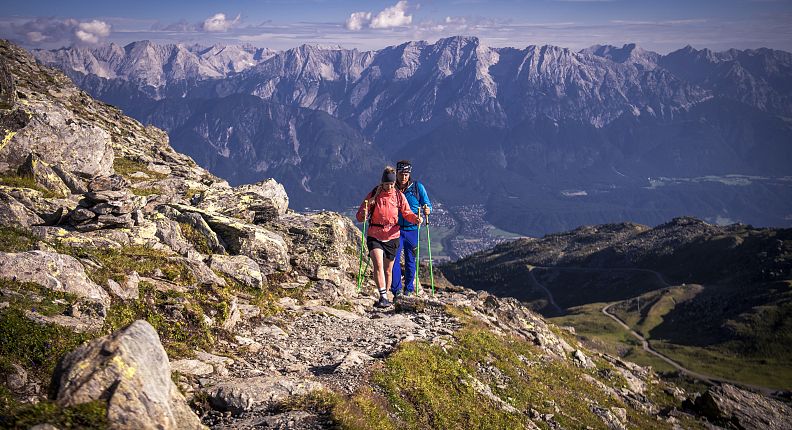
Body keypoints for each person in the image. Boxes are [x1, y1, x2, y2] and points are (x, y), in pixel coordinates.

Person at [356, 166, 422, 308]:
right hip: (375, 234)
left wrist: (415, 219)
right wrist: (365, 212)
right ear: (382, 183)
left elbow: (406, 212)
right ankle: (383, 296)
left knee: (388, 269)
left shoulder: (398, 195)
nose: (390, 187)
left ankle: (387, 295)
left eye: (392, 184)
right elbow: (360, 216)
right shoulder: (374, 194)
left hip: (392, 235)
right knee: (378, 264)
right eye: (387, 184)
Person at [392, 160, 432, 297]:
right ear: (397, 173)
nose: (404, 177)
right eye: (401, 174)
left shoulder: (417, 187)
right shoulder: (391, 187)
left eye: (406, 174)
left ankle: (408, 289)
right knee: (394, 260)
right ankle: (396, 290)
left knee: (410, 260)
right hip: (395, 229)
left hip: (412, 229)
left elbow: (427, 204)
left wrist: (427, 209)